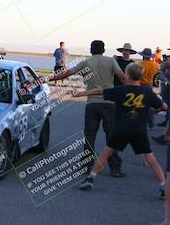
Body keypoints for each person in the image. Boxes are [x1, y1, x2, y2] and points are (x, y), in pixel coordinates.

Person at [75, 63, 167, 199]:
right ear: (140, 77)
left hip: (122, 129)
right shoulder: (147, 92)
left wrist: (82, 93)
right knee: (151, 159)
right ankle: (163, 186)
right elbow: (164, 106)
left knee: (105, 153)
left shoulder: (121, 90)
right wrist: (153, 111)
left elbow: (99, 91)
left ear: (127, 75)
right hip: (139, 131)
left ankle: (91, 179)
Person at [51, 40, 128, 177]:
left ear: (91, 50)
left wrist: (48, 79)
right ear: (103, 50)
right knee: (111, 136)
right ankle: (115, 168)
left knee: (89, 136)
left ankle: (86, 166)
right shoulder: (111, 61)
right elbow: (122, 77)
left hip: (92, 104)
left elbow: (66, 73)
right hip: (109, 103)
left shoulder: (86, 63)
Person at [138, 48, 157, 130]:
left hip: (141, 85)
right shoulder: (154, 65)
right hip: (149, 85)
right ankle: (151, 124)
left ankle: (141, 123)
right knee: (149, 105)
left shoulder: (140, 64)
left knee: (140, 105)